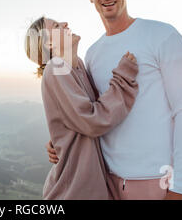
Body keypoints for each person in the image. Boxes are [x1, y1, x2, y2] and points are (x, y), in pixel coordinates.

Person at [45, 0, 182, 200]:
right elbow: (93, 114)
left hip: (154, 182)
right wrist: (61, 142)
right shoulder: (93, 54)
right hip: (104, 184)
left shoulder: (162, 35)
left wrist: (181, 188)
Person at [24, 16, 139, 199]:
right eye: (56, 26)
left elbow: (76, 120)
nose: (65, 23)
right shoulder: (56, 67)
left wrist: (59, 141)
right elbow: (91, 121)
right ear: (49, 45)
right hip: (74, 192)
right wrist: (123, 78)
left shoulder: (77, 66)